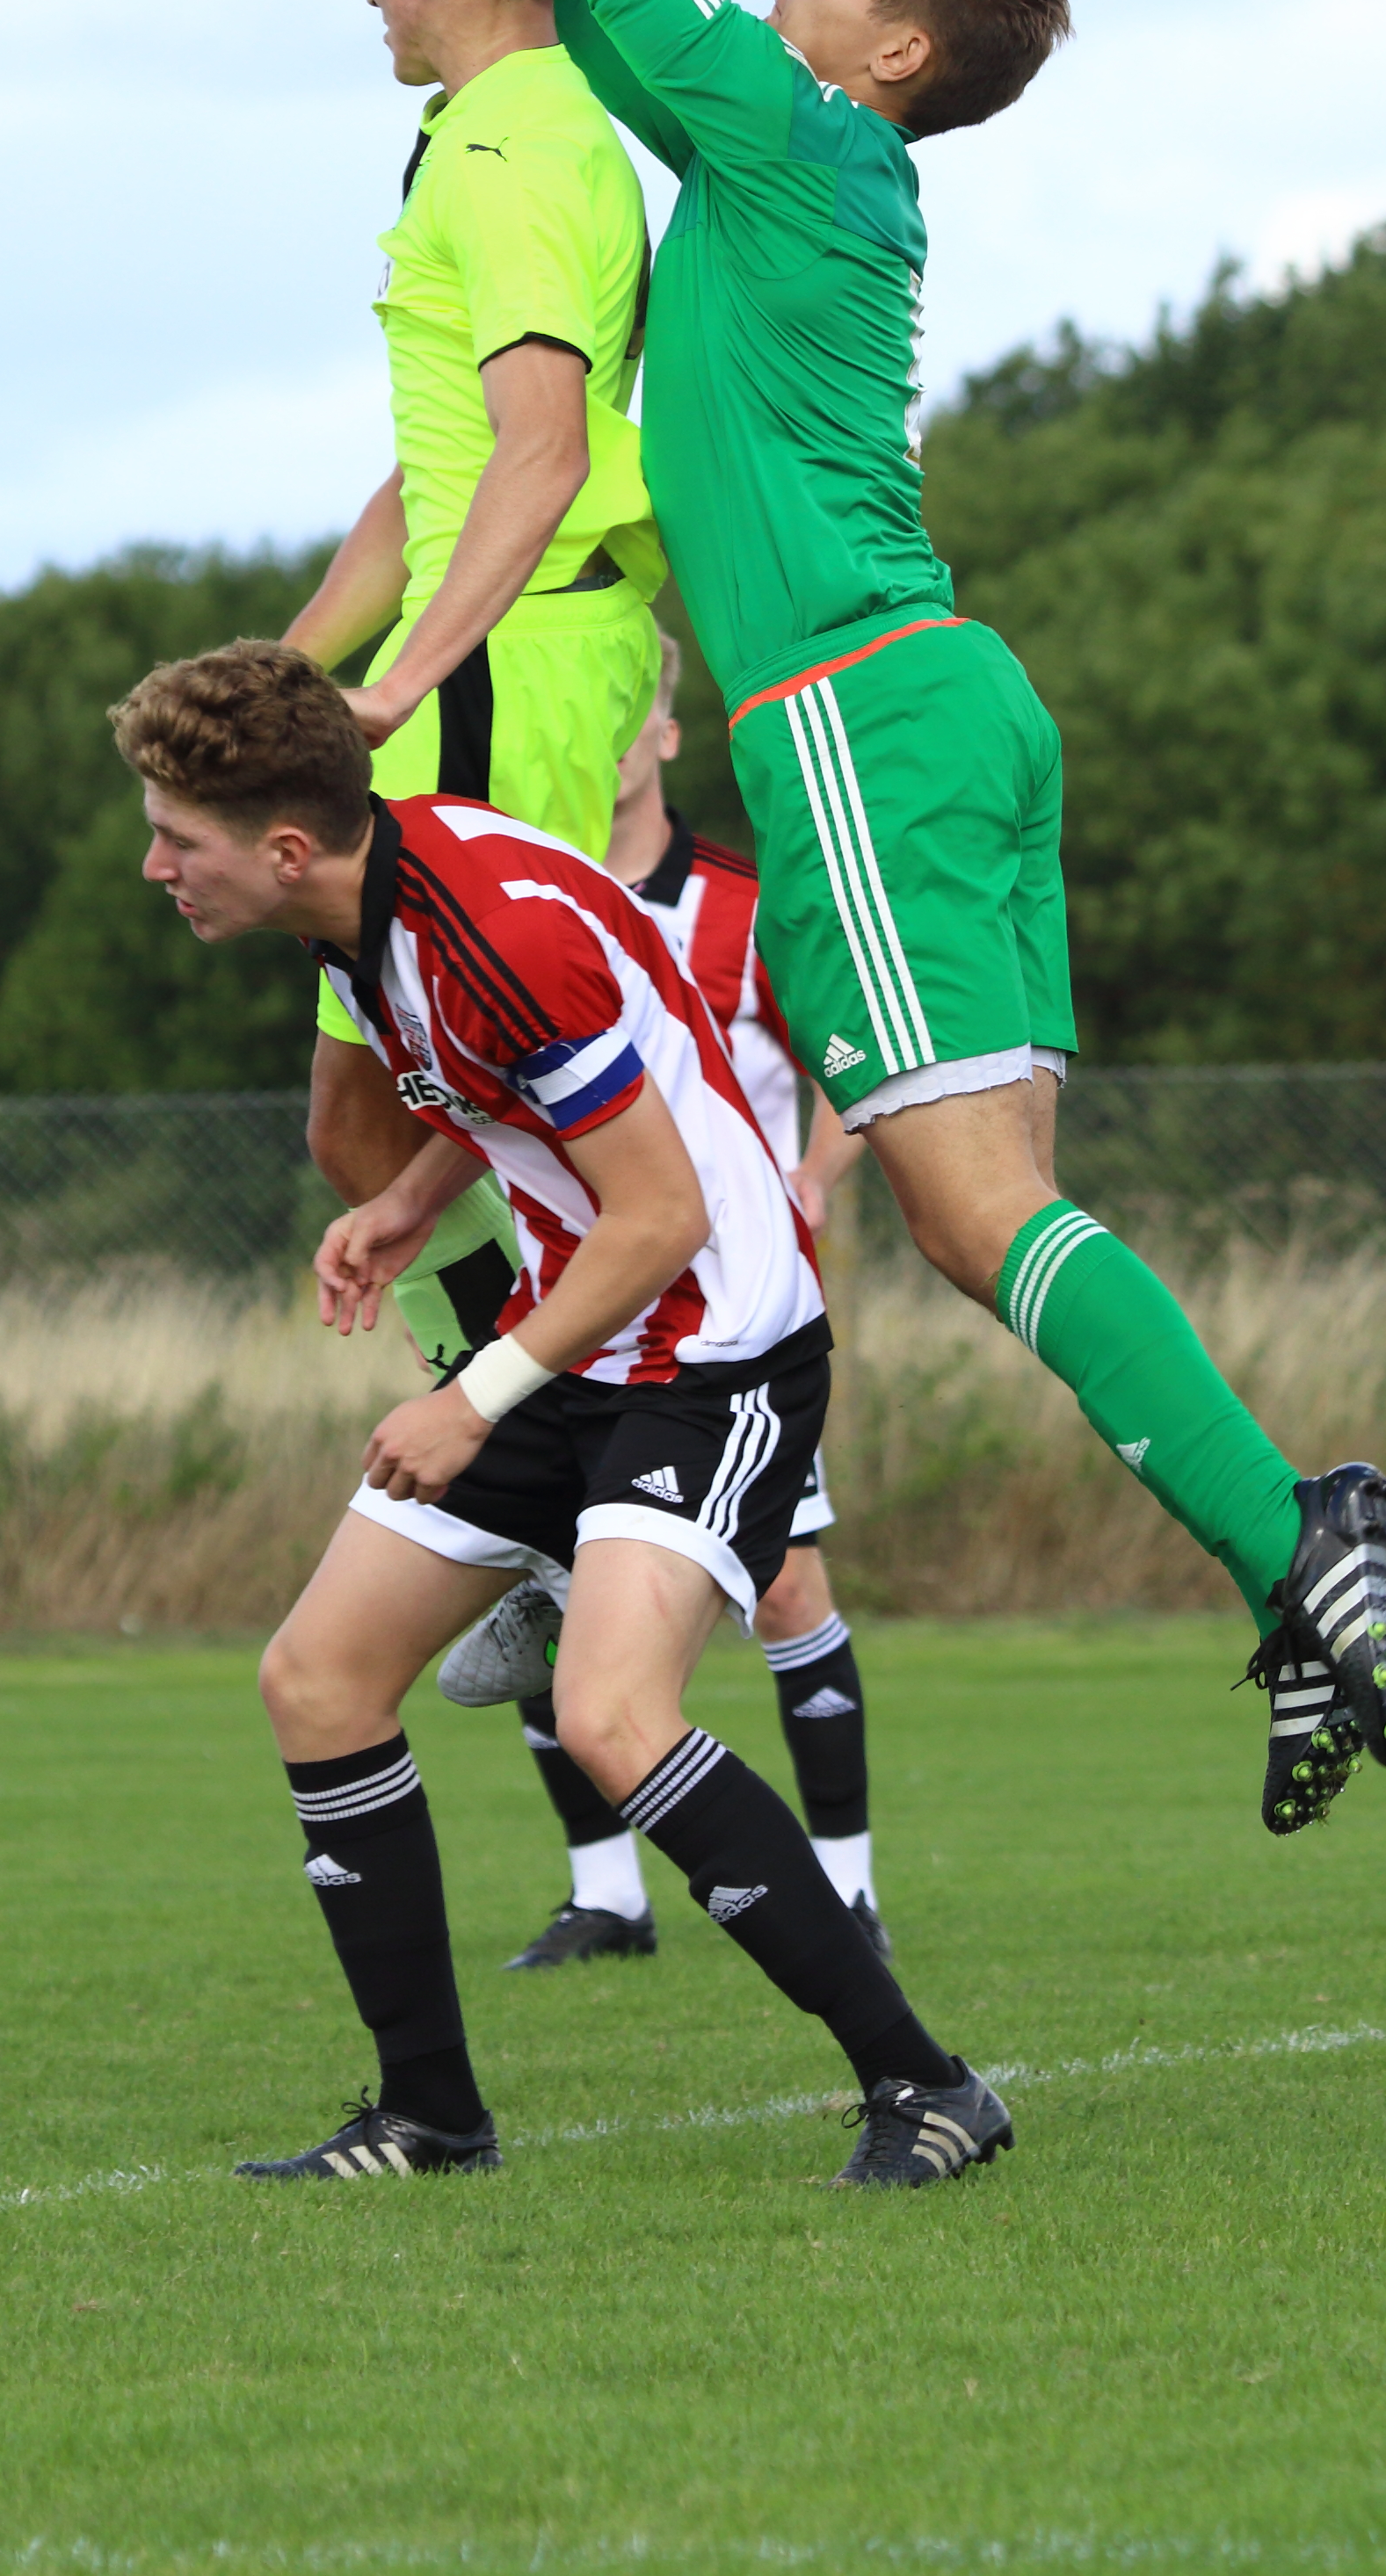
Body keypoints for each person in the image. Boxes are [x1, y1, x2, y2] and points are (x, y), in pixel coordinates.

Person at [504, 0, 1386, 1837]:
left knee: (964, 1207)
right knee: (991, 1186)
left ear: (894, 51)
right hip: (950, 708)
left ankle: (1291, 1529)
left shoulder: (803, 138)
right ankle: (1274, 1563)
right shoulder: (807, 155)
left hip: (849, 729)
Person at [115, 638, 1006, 2188]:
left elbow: (657, 1213)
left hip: (710, 1346)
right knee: (319, 1681)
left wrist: (476, 1398)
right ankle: (432, 2119)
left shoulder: (486, 926)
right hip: (583, 1330)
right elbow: (514, 1094)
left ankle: (928, 2088)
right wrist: (406, 1199)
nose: (153, 867)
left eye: (175, 840)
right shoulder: (368, 905)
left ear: (279, 845)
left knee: (609, 1719)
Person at [279, 0, 671, 1385]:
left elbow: (544, 452)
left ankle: (583, 1431)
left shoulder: (512, 153)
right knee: (366, 1123)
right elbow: (427, 478)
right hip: (467, 666)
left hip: (498, 679)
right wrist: (281, 678)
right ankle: (531, 1451)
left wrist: (394, 686)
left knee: (512, 1114)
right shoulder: (490, 130)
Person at [476, 651, 883, 1969]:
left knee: (787, 1589)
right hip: (574, 1308)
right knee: (543, 1579)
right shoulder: (518, 909)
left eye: (617, 709)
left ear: (659, 729)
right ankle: (608, 1896)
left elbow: (851, 1054)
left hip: (724, 1319)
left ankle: (849, 1890)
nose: (595, 738)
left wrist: (814, 1182)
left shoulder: (742, 912)